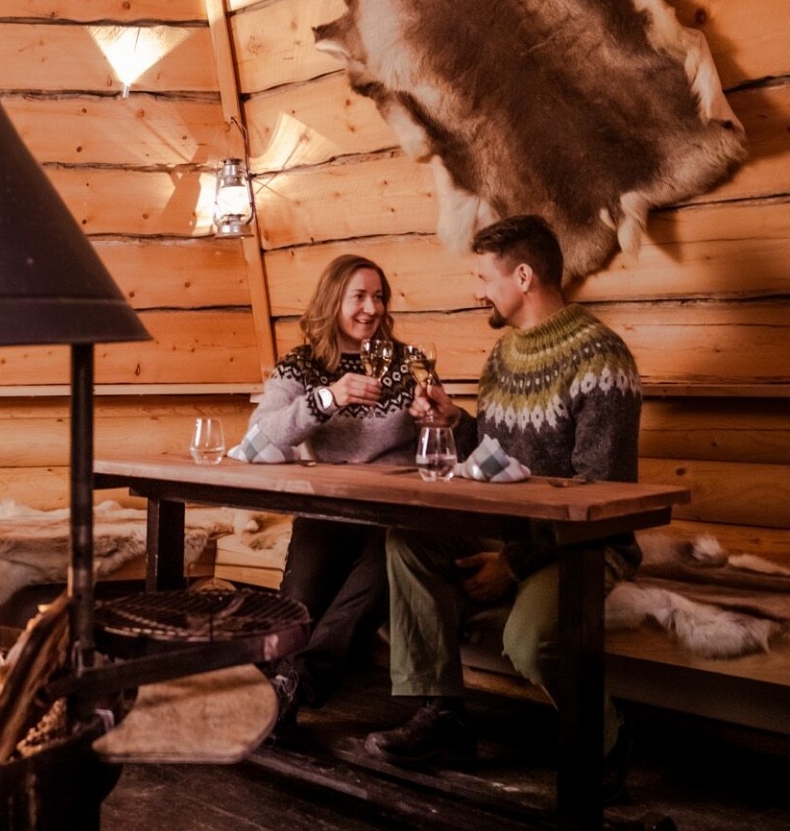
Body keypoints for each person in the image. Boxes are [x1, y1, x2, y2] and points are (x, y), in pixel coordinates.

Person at [363, 215, 642, 801]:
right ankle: (443, 716)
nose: (477, 292)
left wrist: (513, 564)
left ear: (523, 276)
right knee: (408, 541)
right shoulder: (501, 356)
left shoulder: (602, 358)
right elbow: (496, 459)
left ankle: (607, 741)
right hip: (510, 532)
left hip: (583, 545)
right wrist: (455, 422)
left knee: (529, 640)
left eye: (483, 278)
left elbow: (602, 495)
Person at [233, 254, 422, 724]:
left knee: (374, 583)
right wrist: (327, 398)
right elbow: (261, 433)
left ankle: (294, 687)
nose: (372, 308)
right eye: (359, 296)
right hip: (330, 507)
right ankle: (275, 691)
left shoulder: (406, 362)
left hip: (396, 512)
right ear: (333, 300)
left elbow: (445, 436)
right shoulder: (304, 365)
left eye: (379, 297)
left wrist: (443, 417)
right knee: (299, 600)